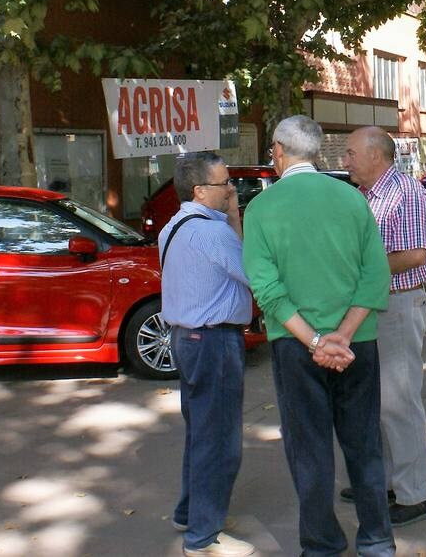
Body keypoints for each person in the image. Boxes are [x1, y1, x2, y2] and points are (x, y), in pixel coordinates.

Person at [242, 116, 395, 556]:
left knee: (309, 450)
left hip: (295, 345)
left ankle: (323, 544)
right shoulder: (352, 199)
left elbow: (267, 290)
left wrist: (315, 342)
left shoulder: (261, 209)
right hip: (357, 344)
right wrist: (343, 336)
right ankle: (377, 539)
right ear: (318, 153)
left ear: (277, 151)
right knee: (363, 443)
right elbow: (375, 274)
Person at [158, 153, 256, 557]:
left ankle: (189, 512)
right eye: (224, 184)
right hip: (214, 342)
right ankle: (203, 537)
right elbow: (253, 271)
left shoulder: (174, 226)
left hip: (188, 339)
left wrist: (231, 214)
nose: (232, 189)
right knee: (219, 440)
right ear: (200, 191)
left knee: (200, 432)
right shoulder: (212, 235)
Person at [342, 126, 426, 526]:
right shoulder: (366, 194)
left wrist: (362, 272)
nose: (344, 160)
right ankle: (381, 481)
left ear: (375, 156)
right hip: (373, 306)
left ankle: (415, 493)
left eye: (349, 154)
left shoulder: (406, 192)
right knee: (373, 401)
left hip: (397, 304)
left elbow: (416, 254)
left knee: (399, 401)